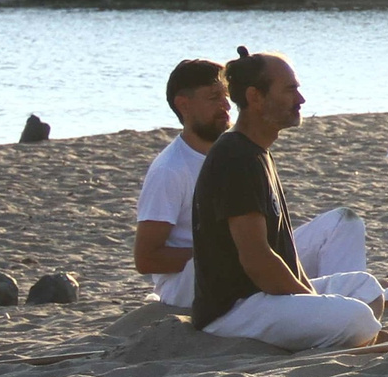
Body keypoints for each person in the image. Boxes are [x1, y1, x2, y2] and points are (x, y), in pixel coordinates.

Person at [190, 49, 386, 350]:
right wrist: (311, 300)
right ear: (255, 97)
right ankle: (355, 337)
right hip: (236, 309)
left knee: (366, 287)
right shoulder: (235, 157)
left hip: (264, 297)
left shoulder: (255, 151)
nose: (301, 99)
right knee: (357, 317)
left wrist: (313, 300)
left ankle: (351, 337)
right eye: (290, 90)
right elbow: (257, 261)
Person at [136, 58, 368, 308]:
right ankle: (327, 308)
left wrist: (254, 252)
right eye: (214, 97)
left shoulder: (241, 150)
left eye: (226, 96)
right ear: (184, 105)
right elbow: (146, 258)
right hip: (194, 282)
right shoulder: (170, 169)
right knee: (257, 256)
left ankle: (337, 303)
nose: (226, 105)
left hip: (248, 258)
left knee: (343, 223)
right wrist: (226, 253)